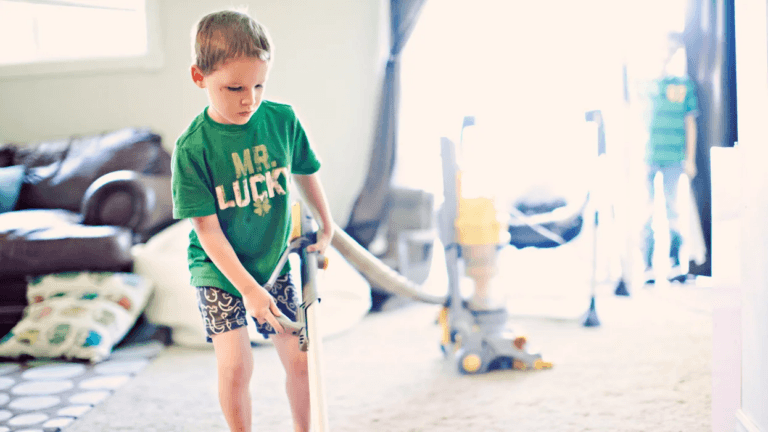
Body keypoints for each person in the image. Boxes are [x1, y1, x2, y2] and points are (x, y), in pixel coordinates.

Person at [171, 9, 334, 432]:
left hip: (273, 258)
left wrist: (326, 221)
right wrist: (248, 290)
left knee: (300, 360)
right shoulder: (193, 149)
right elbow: (206, 230)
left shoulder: (281, 119)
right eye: (235, 87)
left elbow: (305, 169)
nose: (250, 99)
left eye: (260, 85)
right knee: (236, 368)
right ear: (198, 76)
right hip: (220, 269)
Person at [636, 33, 698, 284]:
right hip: (647, 157)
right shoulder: (644, 84)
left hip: (675, 157)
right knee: (646, 212)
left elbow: (690, 123)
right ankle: (647, 266)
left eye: (672, 52)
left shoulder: (684, 85)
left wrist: (690, 159)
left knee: (673, 210)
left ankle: (674, 264)